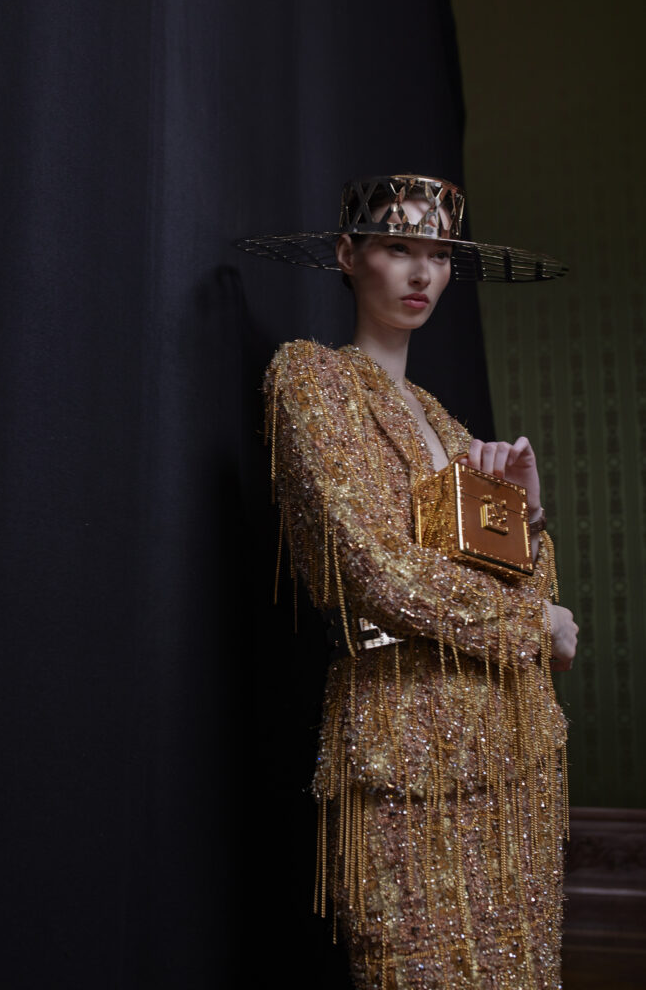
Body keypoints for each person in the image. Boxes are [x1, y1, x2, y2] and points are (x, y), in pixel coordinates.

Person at [238, 175, 578, 990]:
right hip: (405, 743)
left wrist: (527, 515)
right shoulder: (312, 380)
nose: (421, 273)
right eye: (398, 248)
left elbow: (518, 583)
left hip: (515, 750)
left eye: (439, 254)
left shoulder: (447, 424)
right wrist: (536, 629)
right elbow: (375, 571)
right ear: (348, 254)